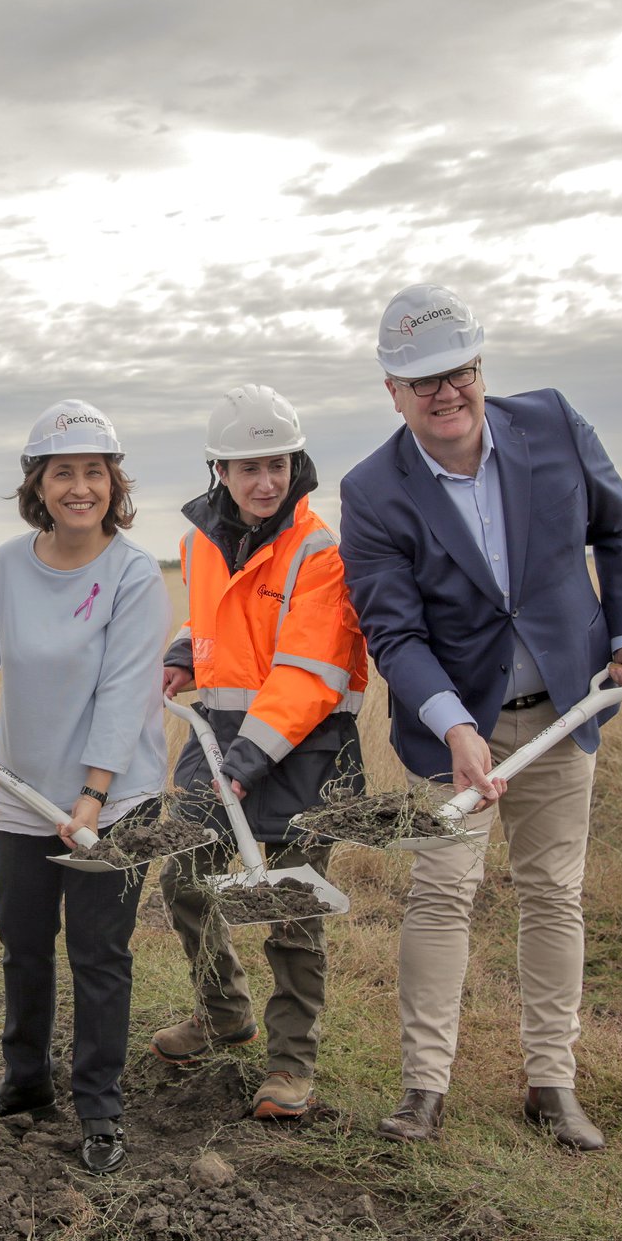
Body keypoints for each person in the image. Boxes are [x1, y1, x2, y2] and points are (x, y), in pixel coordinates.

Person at [338, 283, 622, 1151]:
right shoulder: (372, 489)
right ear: (392, 391)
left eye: (461, 373)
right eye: (424, 382)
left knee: (553, 893)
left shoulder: (554, 423)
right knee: (442, 894)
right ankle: (422, 1089)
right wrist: (453, 726)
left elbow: (621, 528)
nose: (446, 394)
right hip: (451, 732)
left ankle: (551, 1083)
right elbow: (392, 628)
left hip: (564, 713)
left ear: (481, 369)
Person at [0, 401, 170, 1176]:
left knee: (99, 953)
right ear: (38, 483)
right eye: (63, 471)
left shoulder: (133, 573)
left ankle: (100, 1108)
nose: (80, 487)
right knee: (23, 947)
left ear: (112, 482)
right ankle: (24, 1082)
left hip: (114, 804)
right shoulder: (6, 564)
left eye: (94, 471)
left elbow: (127, 693)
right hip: (23, 792)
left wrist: (93, 796)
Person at [152, 385, 369, 1121]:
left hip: (303, 754)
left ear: (295, 461)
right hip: (217, 742)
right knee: (183, 879)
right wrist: (185, 651)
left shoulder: (318, 549)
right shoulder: (197, 540)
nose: (264, 482)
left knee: (290, 911)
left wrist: (246, 762)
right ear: (218, 470)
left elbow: (309, 674)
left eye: (275, 464)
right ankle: (223, 1012)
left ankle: (290, 1062)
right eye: (247, 467)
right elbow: (215, 621)